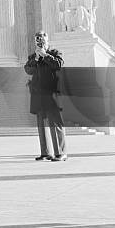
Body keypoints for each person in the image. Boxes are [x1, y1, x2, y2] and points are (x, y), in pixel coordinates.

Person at [24, 31, 67, 161]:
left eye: (42, 38)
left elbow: (58, 65)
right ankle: (46, 152)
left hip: (52, 93)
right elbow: (28, 70)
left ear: (47, 39)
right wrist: (36, 59)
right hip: (38, 94)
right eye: (37, 39)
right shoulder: (33, 56)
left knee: (55, 122)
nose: (39, 41)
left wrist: (46, 55)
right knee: (41, 125)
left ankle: (60, 153)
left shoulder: (55, 53)